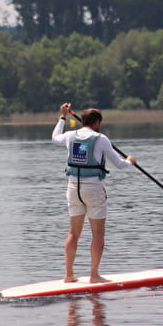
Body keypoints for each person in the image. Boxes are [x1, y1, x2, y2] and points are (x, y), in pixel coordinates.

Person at [52, 103, 136, 283]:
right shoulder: (101, 138)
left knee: (74, 233)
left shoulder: (69, 136)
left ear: (83, 121)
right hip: (93, 189)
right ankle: (94, 275)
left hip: (73, 188)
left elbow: (54, 137)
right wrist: (130, 161)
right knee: (98, 234)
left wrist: (62, 116)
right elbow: (120, 165)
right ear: (97, 122)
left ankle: (68, 275)